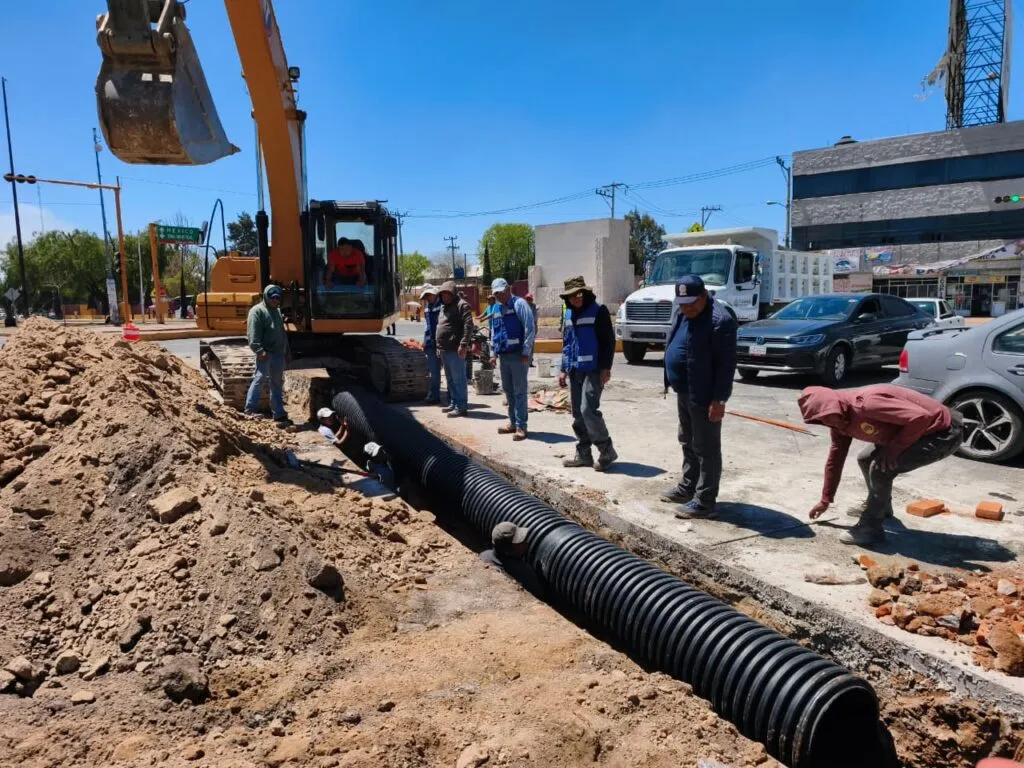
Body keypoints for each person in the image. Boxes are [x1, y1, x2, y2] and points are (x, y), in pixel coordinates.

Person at [798, 384, 964, 546]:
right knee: (865, 458)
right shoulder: (838, 422)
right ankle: (882, 508)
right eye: (822, 420)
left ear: (833, 405)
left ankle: (871, 528)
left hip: (942, 433)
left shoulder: (867, 405)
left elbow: (921, 418)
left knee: (880, 468)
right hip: (915, 431)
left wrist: (893, 450)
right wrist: (826, 499)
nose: (829, 423)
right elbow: (836, 458)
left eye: (828, 416)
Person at [661, 275, 736, 518]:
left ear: (704, 296)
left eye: (691, 303)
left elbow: (726, 365)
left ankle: (705, 501)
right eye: (682, 303)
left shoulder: (720, 321)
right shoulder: (682, 312)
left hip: (705, 395)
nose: (686, 308)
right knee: (687, 440)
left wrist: (719, 399)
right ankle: (688, 487)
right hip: (684, 390)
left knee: (707, 447)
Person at [558, 276, 617, 471]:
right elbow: (567, 343)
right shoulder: (568, 315)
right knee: (577, 414)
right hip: (575, 369)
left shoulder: (598, 311)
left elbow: (608, 342)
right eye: (571, 296)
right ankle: (583, 454)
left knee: (587, 410)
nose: (576, 299)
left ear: (585, 294)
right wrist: (562, 369)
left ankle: (606, 449)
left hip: (593, 370)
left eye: (579, 295)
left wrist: (606, 368)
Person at [489, 278, 536, 440]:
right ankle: (513, 422)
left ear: (508, 289)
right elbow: (494, 333)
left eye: (502, 292)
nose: (500, 295)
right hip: (504, 356)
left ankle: (522, 426)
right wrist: (493, 354)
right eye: (497, 293)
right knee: (508, 391)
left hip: (518, 356)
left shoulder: (520, 304)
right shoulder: (495, 308)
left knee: (520, 392)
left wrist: (526, 352)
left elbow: (530, 328)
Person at [245, 284, 291, 425]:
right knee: (259, 379)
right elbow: (252, 335)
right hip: (265, 353)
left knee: (277, 383)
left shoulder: (276, 311)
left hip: (278, 353)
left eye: (277, 298)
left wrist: (286, 352)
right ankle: (250, 409)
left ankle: (279, 413)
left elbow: (281, 333)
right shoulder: (257, 311)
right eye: (272, 298)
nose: (275, 300)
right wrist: (259, 351)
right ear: (266, 296)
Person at [435, 280, 474, 417]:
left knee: (459, 379)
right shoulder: (443, 307)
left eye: (447, 294)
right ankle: (453, 402)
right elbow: (441, 325)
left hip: (456, 349)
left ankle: (461, 406)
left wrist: (463, 344)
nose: (444, 297)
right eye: (442, 294)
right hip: (445, 349)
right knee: (450, 379)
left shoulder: (462, 305)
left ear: (453, 293)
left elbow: (469, 325)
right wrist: (438, 346)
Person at [479, 522, 545, 599]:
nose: (526, 543)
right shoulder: (523, 572)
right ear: (508, 551)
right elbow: (540, 596)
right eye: (519, 543)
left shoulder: (484, 555)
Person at [420, 285, 442, 404]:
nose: (427, 298)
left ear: (434, 294)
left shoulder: (442, 306)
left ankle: (453, 398)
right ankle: (434, 395)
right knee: (433, 372)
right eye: (426, 296)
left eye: (429, 295)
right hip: (430, 344)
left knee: (450, 373)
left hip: (443, 344)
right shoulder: (427, 308)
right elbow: (426, 326)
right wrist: (425, 341)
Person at [524, 292, 539, 367]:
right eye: (527, 299)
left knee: (531, 344)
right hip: (524, 328)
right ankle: (525, 361)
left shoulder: (533, 306)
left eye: (529, 299)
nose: (528, 300)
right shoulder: (523, 307)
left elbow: (534, 318)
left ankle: (529, 361)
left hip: (532, 327)